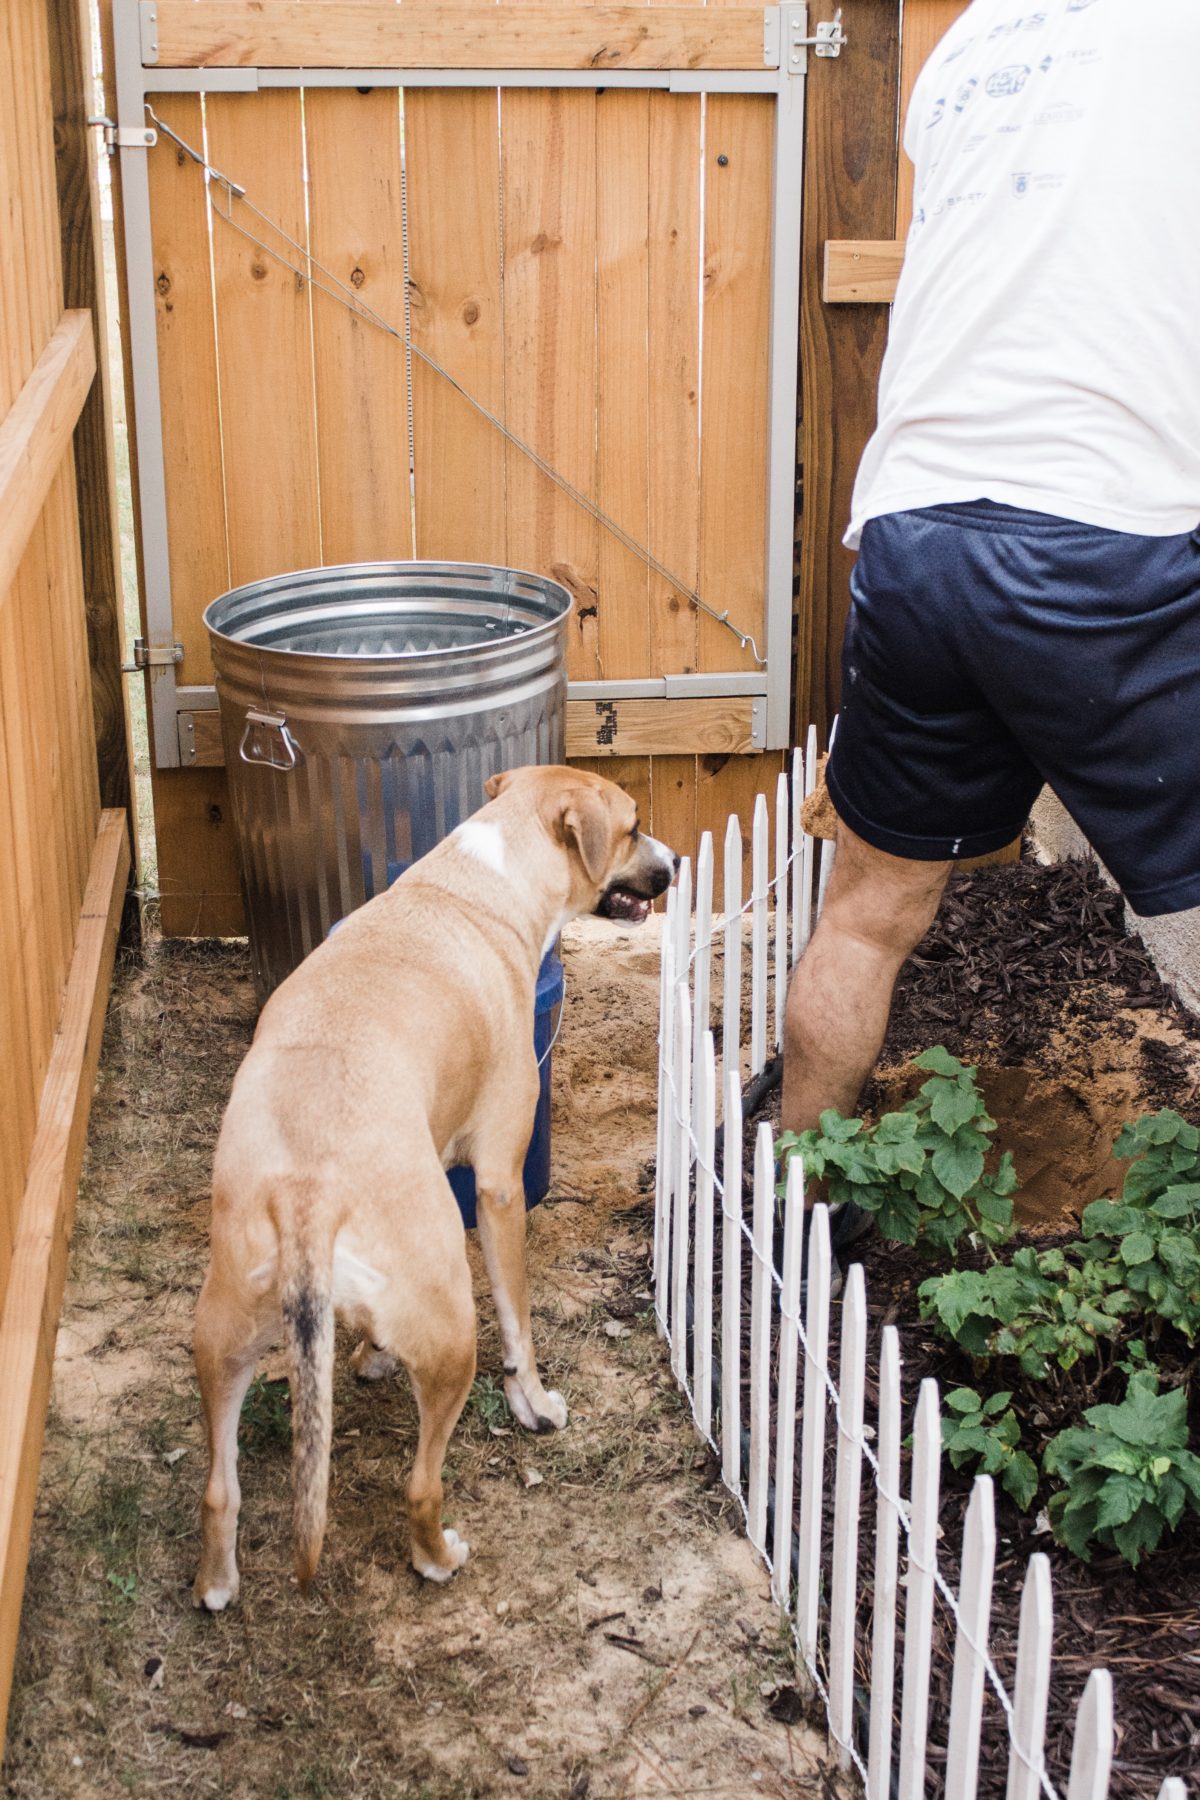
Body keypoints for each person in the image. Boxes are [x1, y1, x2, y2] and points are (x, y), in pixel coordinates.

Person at [782, 0, 1200, 1182]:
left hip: (917, 526)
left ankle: (791, 1187)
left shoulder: (971, 48)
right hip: (1104, 528)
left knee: (866, 915)